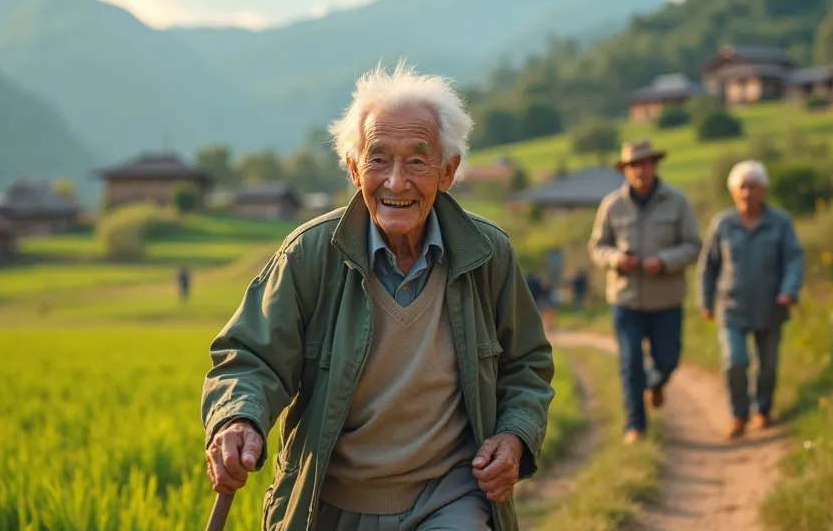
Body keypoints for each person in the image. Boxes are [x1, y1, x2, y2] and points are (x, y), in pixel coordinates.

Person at [201, 61, 555, 531]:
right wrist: (238, 419)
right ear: (353, 167)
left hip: (448, 497)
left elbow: (526, 365)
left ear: (447, 172)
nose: (395, 181)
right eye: (378, 158)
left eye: (417, 160)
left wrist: (514, 435)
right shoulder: (311, 255)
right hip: (328, 501)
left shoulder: (487, 254)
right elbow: (250, 357)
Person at [587, 138, 702, 444]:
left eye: (645, 164)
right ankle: (635, 425)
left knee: (668, 360)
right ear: (625, 170)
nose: (640, 170)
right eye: (633, 165)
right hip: (626, 299)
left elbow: (693, 246)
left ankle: (655, 382)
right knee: (629, 362)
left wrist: (664, 261)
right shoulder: (611, 205)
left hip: (666, 298)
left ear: (654, 166)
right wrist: (616, 260)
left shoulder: (678, 201)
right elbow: (597, 247)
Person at [696, 160, 805, 439]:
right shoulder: (722, 224)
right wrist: (705, 301)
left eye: (753, 187)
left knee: (767, 364)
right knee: (735, 360)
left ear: (764, 190)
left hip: (771, 306)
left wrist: (789, 289)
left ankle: (763, 410)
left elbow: (794, 259)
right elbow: (708, 266)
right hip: (731, 307)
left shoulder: (780, 223)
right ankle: (738, 414)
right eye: (742, 187)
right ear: (733, 191)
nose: (747, 193)